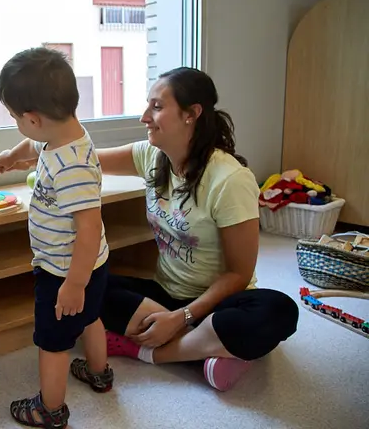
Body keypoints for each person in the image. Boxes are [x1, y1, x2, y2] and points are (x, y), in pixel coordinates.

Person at [94, 67, 299, 392]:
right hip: (165, 296)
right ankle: (207, 349)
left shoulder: (230, 179)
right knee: (82, 284)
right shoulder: (152, 155)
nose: (145, 117)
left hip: (219, 303)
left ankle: (147, 351)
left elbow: (239, 274)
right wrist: (30, 155)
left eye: (157, 107)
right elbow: (87, 159)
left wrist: (181, 318)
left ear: (191, 114)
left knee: (280, 311)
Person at [0, 47, 114, 429]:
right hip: (90, 265)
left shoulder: (70, 165)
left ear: (33, 118)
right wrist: (12, 155)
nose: (17, 125)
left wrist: (74, 283)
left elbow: (88, 228)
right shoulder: (64, 137)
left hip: (64, 270)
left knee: (53, 342)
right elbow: (33, 145)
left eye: (15, 119)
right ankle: (99, 372)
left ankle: (50, 409)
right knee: (91, 318)